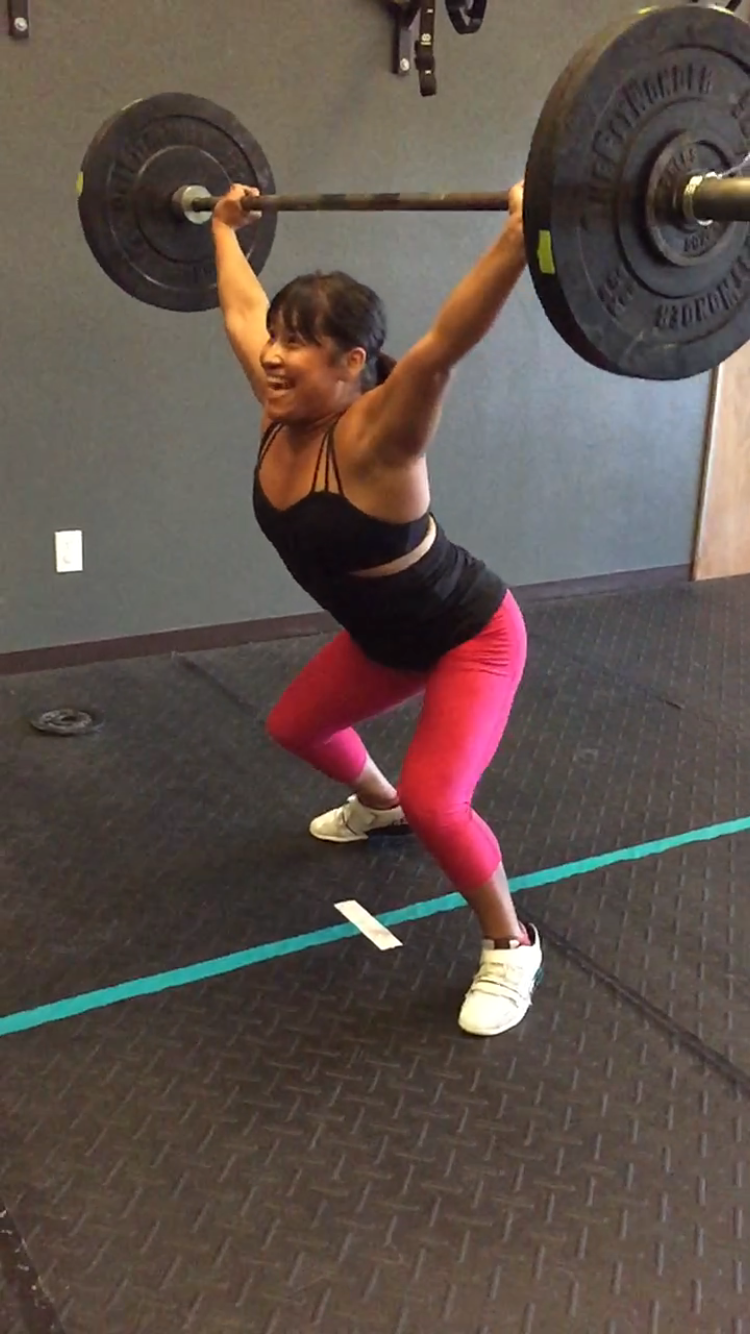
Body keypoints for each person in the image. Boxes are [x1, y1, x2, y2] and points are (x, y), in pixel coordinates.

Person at [210, 181, 541, 1037]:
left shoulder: (380, 436)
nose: (273, 355)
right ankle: (379, 805)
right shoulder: (281, 407)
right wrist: (222, 228)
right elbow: (240, 308)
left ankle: (511, 943)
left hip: (469, 635)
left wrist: (518, 236)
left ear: (352, 362)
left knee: (442, 801)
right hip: (385, 640)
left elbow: (441, 349)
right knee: (294, 726)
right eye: (277, 339)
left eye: (299, 344)